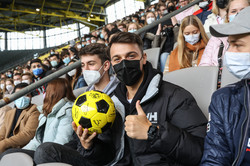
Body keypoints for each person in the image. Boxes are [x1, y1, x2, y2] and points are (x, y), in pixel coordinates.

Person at [100, 32, 207, 165]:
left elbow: (201, 151)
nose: (124, 63)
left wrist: (153, 133)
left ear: (144, 58)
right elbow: (108, 154)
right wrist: (89, 146)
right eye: (117, 59)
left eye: (131, 56)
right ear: (111, 65)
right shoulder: (112, 104)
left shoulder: (174, 96)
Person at [31, 43, 120, 166]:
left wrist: (88, 146)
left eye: (91, 64)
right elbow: (75, 139)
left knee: (45, 151)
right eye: (83, 65)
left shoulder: (119, 95)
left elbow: (111, 148)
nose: (86, 69)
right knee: (14, 154)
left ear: (105, 65)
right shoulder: (83, 98)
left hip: (101, 158)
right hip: (83, 150)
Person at [200, 6, 250, 165]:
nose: (229, 52)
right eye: (229, 44)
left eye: (238, 45)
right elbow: (214, 159)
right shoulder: (223, 99)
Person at [0, 78, 76, 160]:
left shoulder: (67, 110)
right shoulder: (46, 112)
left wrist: (4, 144)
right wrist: (21, 152)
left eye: (46, 91)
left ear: (54, 93)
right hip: (42, 150)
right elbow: (37, 140)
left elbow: (61, 141)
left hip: (49, 152)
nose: (44, 94)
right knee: (10, 154)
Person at [199, 0, 250, 66]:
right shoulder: (216, 37)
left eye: (243, 10)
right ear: (228, 16)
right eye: (233, 11)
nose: (238, 14)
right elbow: (204, 65)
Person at [0, 83, 39, 154]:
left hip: (20, 147)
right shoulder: (10, 112)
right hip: (7, 146)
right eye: (19, 95)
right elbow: (2, 132)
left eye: (26, 95)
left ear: (31, 96)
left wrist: (4, 144)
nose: (22, 97)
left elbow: (27, 134)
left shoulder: (34, 111)